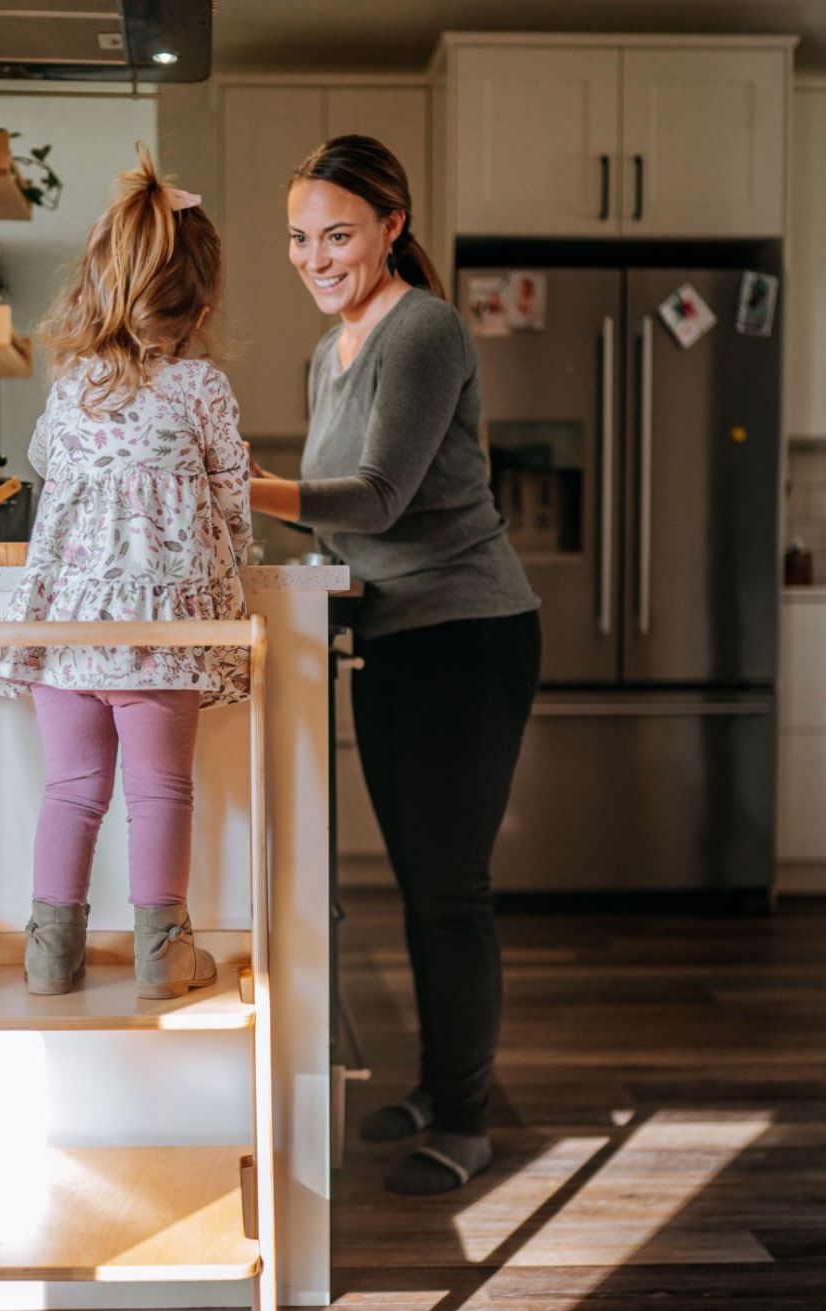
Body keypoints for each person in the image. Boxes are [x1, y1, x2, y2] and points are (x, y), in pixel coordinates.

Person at [248, 135, 541, 1196]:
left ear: (390, 229)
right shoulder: (327, 353)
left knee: (448, 890)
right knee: (419, 886)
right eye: (299, 238)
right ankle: (439, 1087)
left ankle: (465, 1124)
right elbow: (344, 533)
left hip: (465, 633)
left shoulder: (424, 331)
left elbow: (376, 498)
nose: (315, 257)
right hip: (390, 637)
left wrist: (241, 481)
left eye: (337, 234)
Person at [0, 148, 251, 1001]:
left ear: (99, 284)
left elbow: (40, 466)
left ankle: (48, 957)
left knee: (71, 790)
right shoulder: (201, 389)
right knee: (160, 794)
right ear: (202, 302)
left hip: (65, 633)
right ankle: (160, 957)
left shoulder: (69, 387)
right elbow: (236, 509)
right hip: (160, 635)